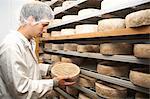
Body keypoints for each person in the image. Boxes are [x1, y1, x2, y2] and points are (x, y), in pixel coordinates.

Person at [0, 1, 74, 99]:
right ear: (31, 19)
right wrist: (54, 83)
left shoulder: (28, 41)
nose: (45, 30)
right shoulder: (11, 46)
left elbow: (27, 67)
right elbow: (20, 89)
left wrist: (49, 68)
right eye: (44, 25)